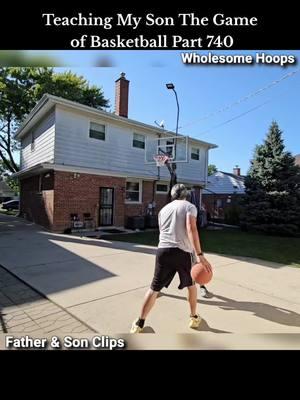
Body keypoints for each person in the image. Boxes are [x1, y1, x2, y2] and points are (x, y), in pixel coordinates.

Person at [130, 183, 212, 333]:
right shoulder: (189, 206)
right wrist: (200, 255)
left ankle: (139, 323)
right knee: (191, 286)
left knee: (154, 288)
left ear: (172, 195)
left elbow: (162, 231)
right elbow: (191, 228)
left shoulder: (163, 210)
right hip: (183, 253)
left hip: (163, 251)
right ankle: (193, 317)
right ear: (186, 195)